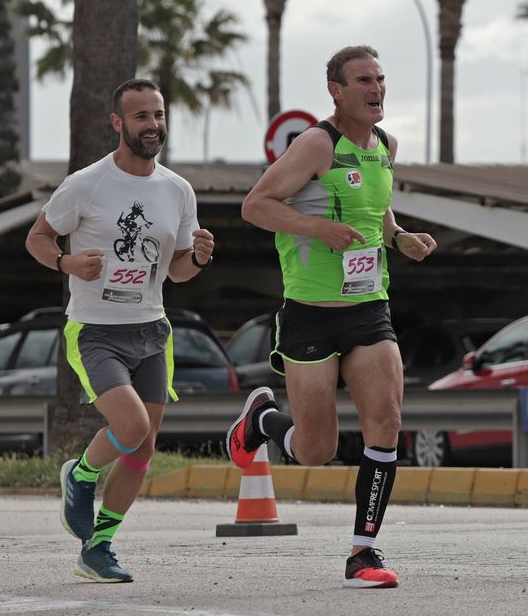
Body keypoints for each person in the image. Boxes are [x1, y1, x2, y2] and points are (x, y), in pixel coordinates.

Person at [227, 44, 436, 590]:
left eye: (381, 79)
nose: (376, 89)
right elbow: (256, 205)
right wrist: (317, 229)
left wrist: (400, 238)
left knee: (386, 421)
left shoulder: (386, 146)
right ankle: (263, 423)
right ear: (336, 91)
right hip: (311, 314)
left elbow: (375, 209)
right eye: (363, 80)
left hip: (370, 308)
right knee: (316, 450)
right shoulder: (317, 144)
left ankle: (363, 551)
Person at [27, 78, 215, 583]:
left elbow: (176, 271)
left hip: (152, 329)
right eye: (141, 117)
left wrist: (196, 258)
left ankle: (99, 546)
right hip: (96, 330)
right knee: (130, 429)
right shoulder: (86, 184)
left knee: (144, 445)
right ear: (118, 123)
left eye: (158, 115)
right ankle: (81, 475)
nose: (153, 125)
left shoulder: (178, 190)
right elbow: (37, 237)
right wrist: (66, 262)